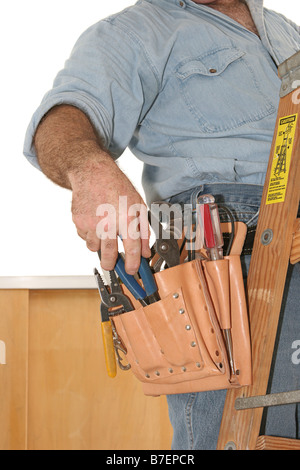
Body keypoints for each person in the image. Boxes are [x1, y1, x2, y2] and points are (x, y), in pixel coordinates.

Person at [24, 0, 300, 450]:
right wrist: (90, 170)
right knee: (244, 438)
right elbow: (62, 120)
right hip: (230, 252)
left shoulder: (286, 31)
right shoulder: (135, 32)